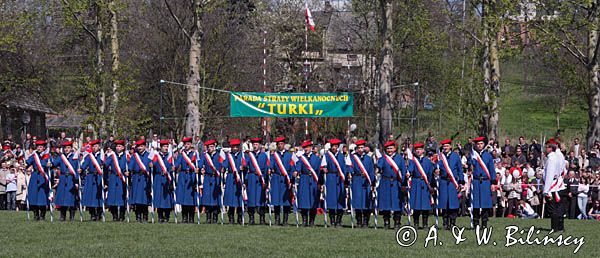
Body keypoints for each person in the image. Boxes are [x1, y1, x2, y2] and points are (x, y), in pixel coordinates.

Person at [376, 140, 406, 230]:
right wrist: (377, 170)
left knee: (397, 203)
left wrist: (403, 183)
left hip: (396, 183)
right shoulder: (383, 158)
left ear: (395, 149)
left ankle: (397, 222)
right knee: (386, 203)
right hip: (385, 182)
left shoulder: (400, 158)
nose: (389, 150)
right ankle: (386, 222)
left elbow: (403, 171)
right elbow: (379, 166)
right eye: (388, 148)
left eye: (391, 148)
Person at [407, 142, 435, 229]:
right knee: (416, 205)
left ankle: (425, 224)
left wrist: (431, 184)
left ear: (423, 150)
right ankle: (416, 223)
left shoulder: (427, 161)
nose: (418, 151)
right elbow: (410, 169)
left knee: (425, 205)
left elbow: (430, 173)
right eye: (416, 150)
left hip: (425, 183)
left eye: (420, 149)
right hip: (416, 182)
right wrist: (409, 172)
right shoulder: (413, 161)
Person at [437, 139, 464, 230]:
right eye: (444, 146)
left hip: (453, 183)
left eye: (447, 146)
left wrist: (461, 181)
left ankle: (452, 222)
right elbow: (436, 167)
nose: (445, 148)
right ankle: (445, 222)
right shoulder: (440, 157)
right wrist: (435, 170)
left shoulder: (455, 156)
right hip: (443, 182)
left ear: (450, 147)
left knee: (453, 204)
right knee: (444, 204)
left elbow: (460, 169)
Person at [321, 138, 348, 228]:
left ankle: (339, 221)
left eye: (336, 146)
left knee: (340, 200)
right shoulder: (327, 155)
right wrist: (324, 169)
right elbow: (323, 166)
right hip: (330, 178)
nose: (334, 148)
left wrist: (346, 180)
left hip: (340, 178)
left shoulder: (342, 156)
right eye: (333, 146)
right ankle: (332, 221)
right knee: (331, 200)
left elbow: (345, 167)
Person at [470, 136, 496, 228]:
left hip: (485, 182)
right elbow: (470, 167)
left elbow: (492, 169)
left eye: (481, 144)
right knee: (476, 204)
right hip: (476, 181)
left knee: (485, 204)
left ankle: (484, 223)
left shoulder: (488, 156)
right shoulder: (473, 155)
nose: (479, 145)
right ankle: (476, 223)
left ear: (484, 145)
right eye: (478, 144)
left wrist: (493, 182)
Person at [348, 139, 376, 228]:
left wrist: (372, 183)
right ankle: (359, 221)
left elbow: (371, 171)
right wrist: (350, 172)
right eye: (359, 148)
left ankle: (366, 221)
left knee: (366, 202)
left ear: (364, 148)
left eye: (362, 147)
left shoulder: (368, 158)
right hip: (357, 180)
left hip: (366, 181)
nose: (360, 149)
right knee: (357, 201)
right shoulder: (353, 157)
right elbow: (349, 166)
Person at [294, 140, 321, 227]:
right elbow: (298, 167)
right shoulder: (301, 158)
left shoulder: (317, 159)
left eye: (308, 147)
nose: (306, 149)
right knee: (303, 201)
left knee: (313, 201)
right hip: (304, 180)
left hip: (313, 180)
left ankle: (312, 221)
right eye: (305, 147)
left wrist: (320, 183)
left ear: (311, 148)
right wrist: (296, 172)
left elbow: (319, 171)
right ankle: (304, 220)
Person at [543, 138, 567, 232]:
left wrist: (546, 190)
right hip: (557, 183)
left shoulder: (552, 158)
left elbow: (550, 174)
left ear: (550, 148)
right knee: (558, 207)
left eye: (547, 147)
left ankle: (555, 227)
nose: (546, 149)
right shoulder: (558, 155)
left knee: (553, 207)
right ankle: (559, 227)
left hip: (552, 185)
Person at [268, 136, 293, 226]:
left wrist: (292, 177)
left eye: (281, 144)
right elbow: (271, 164)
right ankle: (277, 220)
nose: (280, 146)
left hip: (286, 179)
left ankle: (285, 220)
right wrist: (270, 169)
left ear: (284, 144)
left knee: (286, 201)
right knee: (276, 200)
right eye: (279, 144)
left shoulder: (289, 155)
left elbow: (292, 166)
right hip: (277, 178)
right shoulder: (274, 155)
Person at [53, 141, 80, 221]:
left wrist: (76, 182)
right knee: (62, 198)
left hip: (71, 179)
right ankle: (62, 215)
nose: (66, 149)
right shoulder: (61, 157)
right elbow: (55, 163)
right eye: (65, 148)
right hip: (63, 178)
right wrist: (50, 162)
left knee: (71, 199)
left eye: (68, 148)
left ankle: (72, 216)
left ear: (71, 148)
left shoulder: (75, 157)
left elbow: (77, 169)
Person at [25, 139, 52, 220]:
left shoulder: (47, 156)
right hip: (35, 176)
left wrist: (50, 164)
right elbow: (27, 163)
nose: (39, 148)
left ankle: (42, 215)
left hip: (43, 177)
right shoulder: (34, 156)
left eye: (41, 147)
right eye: (38, 147)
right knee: (34, 196)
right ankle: (35, 214)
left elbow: (52, 164)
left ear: (44, 148)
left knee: (43, 197)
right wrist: (24, 164)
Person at [174, 137, 199, 223]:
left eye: (188, 144)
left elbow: (198, 164)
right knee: (183, 197)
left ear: (191, 145)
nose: (187, 146)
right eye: (185, 144)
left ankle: (191, 217)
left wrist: (197, 169)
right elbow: (177, 163)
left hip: (191, 176)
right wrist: (174, 167)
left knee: (191, 198)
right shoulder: (181, 155)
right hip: (183, 176)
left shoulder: (194, 154)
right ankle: (184, 217)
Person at [245, 138, 268, 225]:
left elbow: (266, 168)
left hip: (260, 178)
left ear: (259, 145)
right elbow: (245, 164)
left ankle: (262, 219)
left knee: (261, 199)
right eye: (254, 144)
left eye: (256, 144)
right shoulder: (249, 155)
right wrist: (243, 166)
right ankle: (251, 219)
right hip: (251, 178)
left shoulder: (264, 155)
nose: (255, 146)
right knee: (251, 199)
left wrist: (265, 180)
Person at [80, 139, 105, 221]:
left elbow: (106, 165)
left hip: (99, 177)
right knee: (90, 197)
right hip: (91, 177)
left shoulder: (102, 156)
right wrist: (81, 169)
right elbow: (84, 164)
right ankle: (92, 214)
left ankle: (99, 213)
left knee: (98, 197)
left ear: (99, 147)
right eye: (93, 146)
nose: (95, 148)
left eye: (96, 146)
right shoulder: (89, 156)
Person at [128, 139, 152, 223]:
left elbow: (151, 167)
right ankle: (138, 216)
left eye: (142, 146)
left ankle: (145, 216)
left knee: (144, 199)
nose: (140, 148)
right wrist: (128, 171)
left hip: (145, 178)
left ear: (145, 146)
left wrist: (151, 166)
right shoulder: (134, 156)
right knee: (136, 199)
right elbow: (130, 166)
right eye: (138, 146)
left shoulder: (149, 155)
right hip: (136, 177)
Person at [199, 139, 222, 224]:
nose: (210, 148)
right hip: (208, 178)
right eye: (209, 147)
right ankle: (208, 217)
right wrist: (198, 167)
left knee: (216, 198)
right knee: (207, 197)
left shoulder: (219, 155)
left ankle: (215, 217)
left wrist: (222, 168)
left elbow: (223, 164)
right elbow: (200, 164)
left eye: (212, 147)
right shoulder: (205, 156)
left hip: (216, 178)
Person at [222, 138, 245, 224]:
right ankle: (231, 218)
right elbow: (224, 164)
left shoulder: (242, 155)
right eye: (233, 147)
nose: (235, 148)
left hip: (239, 177)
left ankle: (239, 218)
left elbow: (246, 164)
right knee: (230, 199)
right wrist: (223, 168)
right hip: (231, 177)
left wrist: (244, 167)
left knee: (239, 199)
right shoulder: (229, 156)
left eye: (236, 147)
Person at [152, 139, 175, 223]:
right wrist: (151, 165)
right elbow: (152, 164)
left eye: (167, 146)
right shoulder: (157, 156)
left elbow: (173, 166)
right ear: (160, 147)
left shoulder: (170, 156)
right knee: (159, 197)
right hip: (158, 177)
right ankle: (160, 216)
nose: (166, 148)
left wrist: (173, 168)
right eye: (164, 146)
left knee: (167, 198)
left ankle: (167, 215)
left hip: (167, 178)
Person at [105, 140, 128, 221]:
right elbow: (106, 164)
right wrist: (103, 164)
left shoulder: (126, 156)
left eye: (120, 146)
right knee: (112, 197)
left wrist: (128, 172)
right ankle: (114, 215)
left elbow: (129, 166)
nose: (118, 148)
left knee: (122, 197)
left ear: (123, 147)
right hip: (113, 178)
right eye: (117, 146)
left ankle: (122, 215)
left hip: (122, 178)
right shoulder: (112, 156)